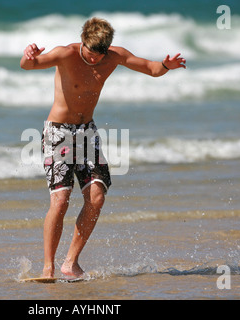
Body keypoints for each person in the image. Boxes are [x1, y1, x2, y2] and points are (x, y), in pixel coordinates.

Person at [20, 17, 186, 279]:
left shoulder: (113, 56)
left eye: (100, 54)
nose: (94, 59)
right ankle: (48, 268)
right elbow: (28, 65)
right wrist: (28, 56)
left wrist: (166, 65)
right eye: (89, 53)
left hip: (87, 133)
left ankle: (70, 263)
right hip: (58, 133)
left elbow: (151, 68)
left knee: (96, 198)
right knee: (61, 200)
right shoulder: (65, 54)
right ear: (83, 41)